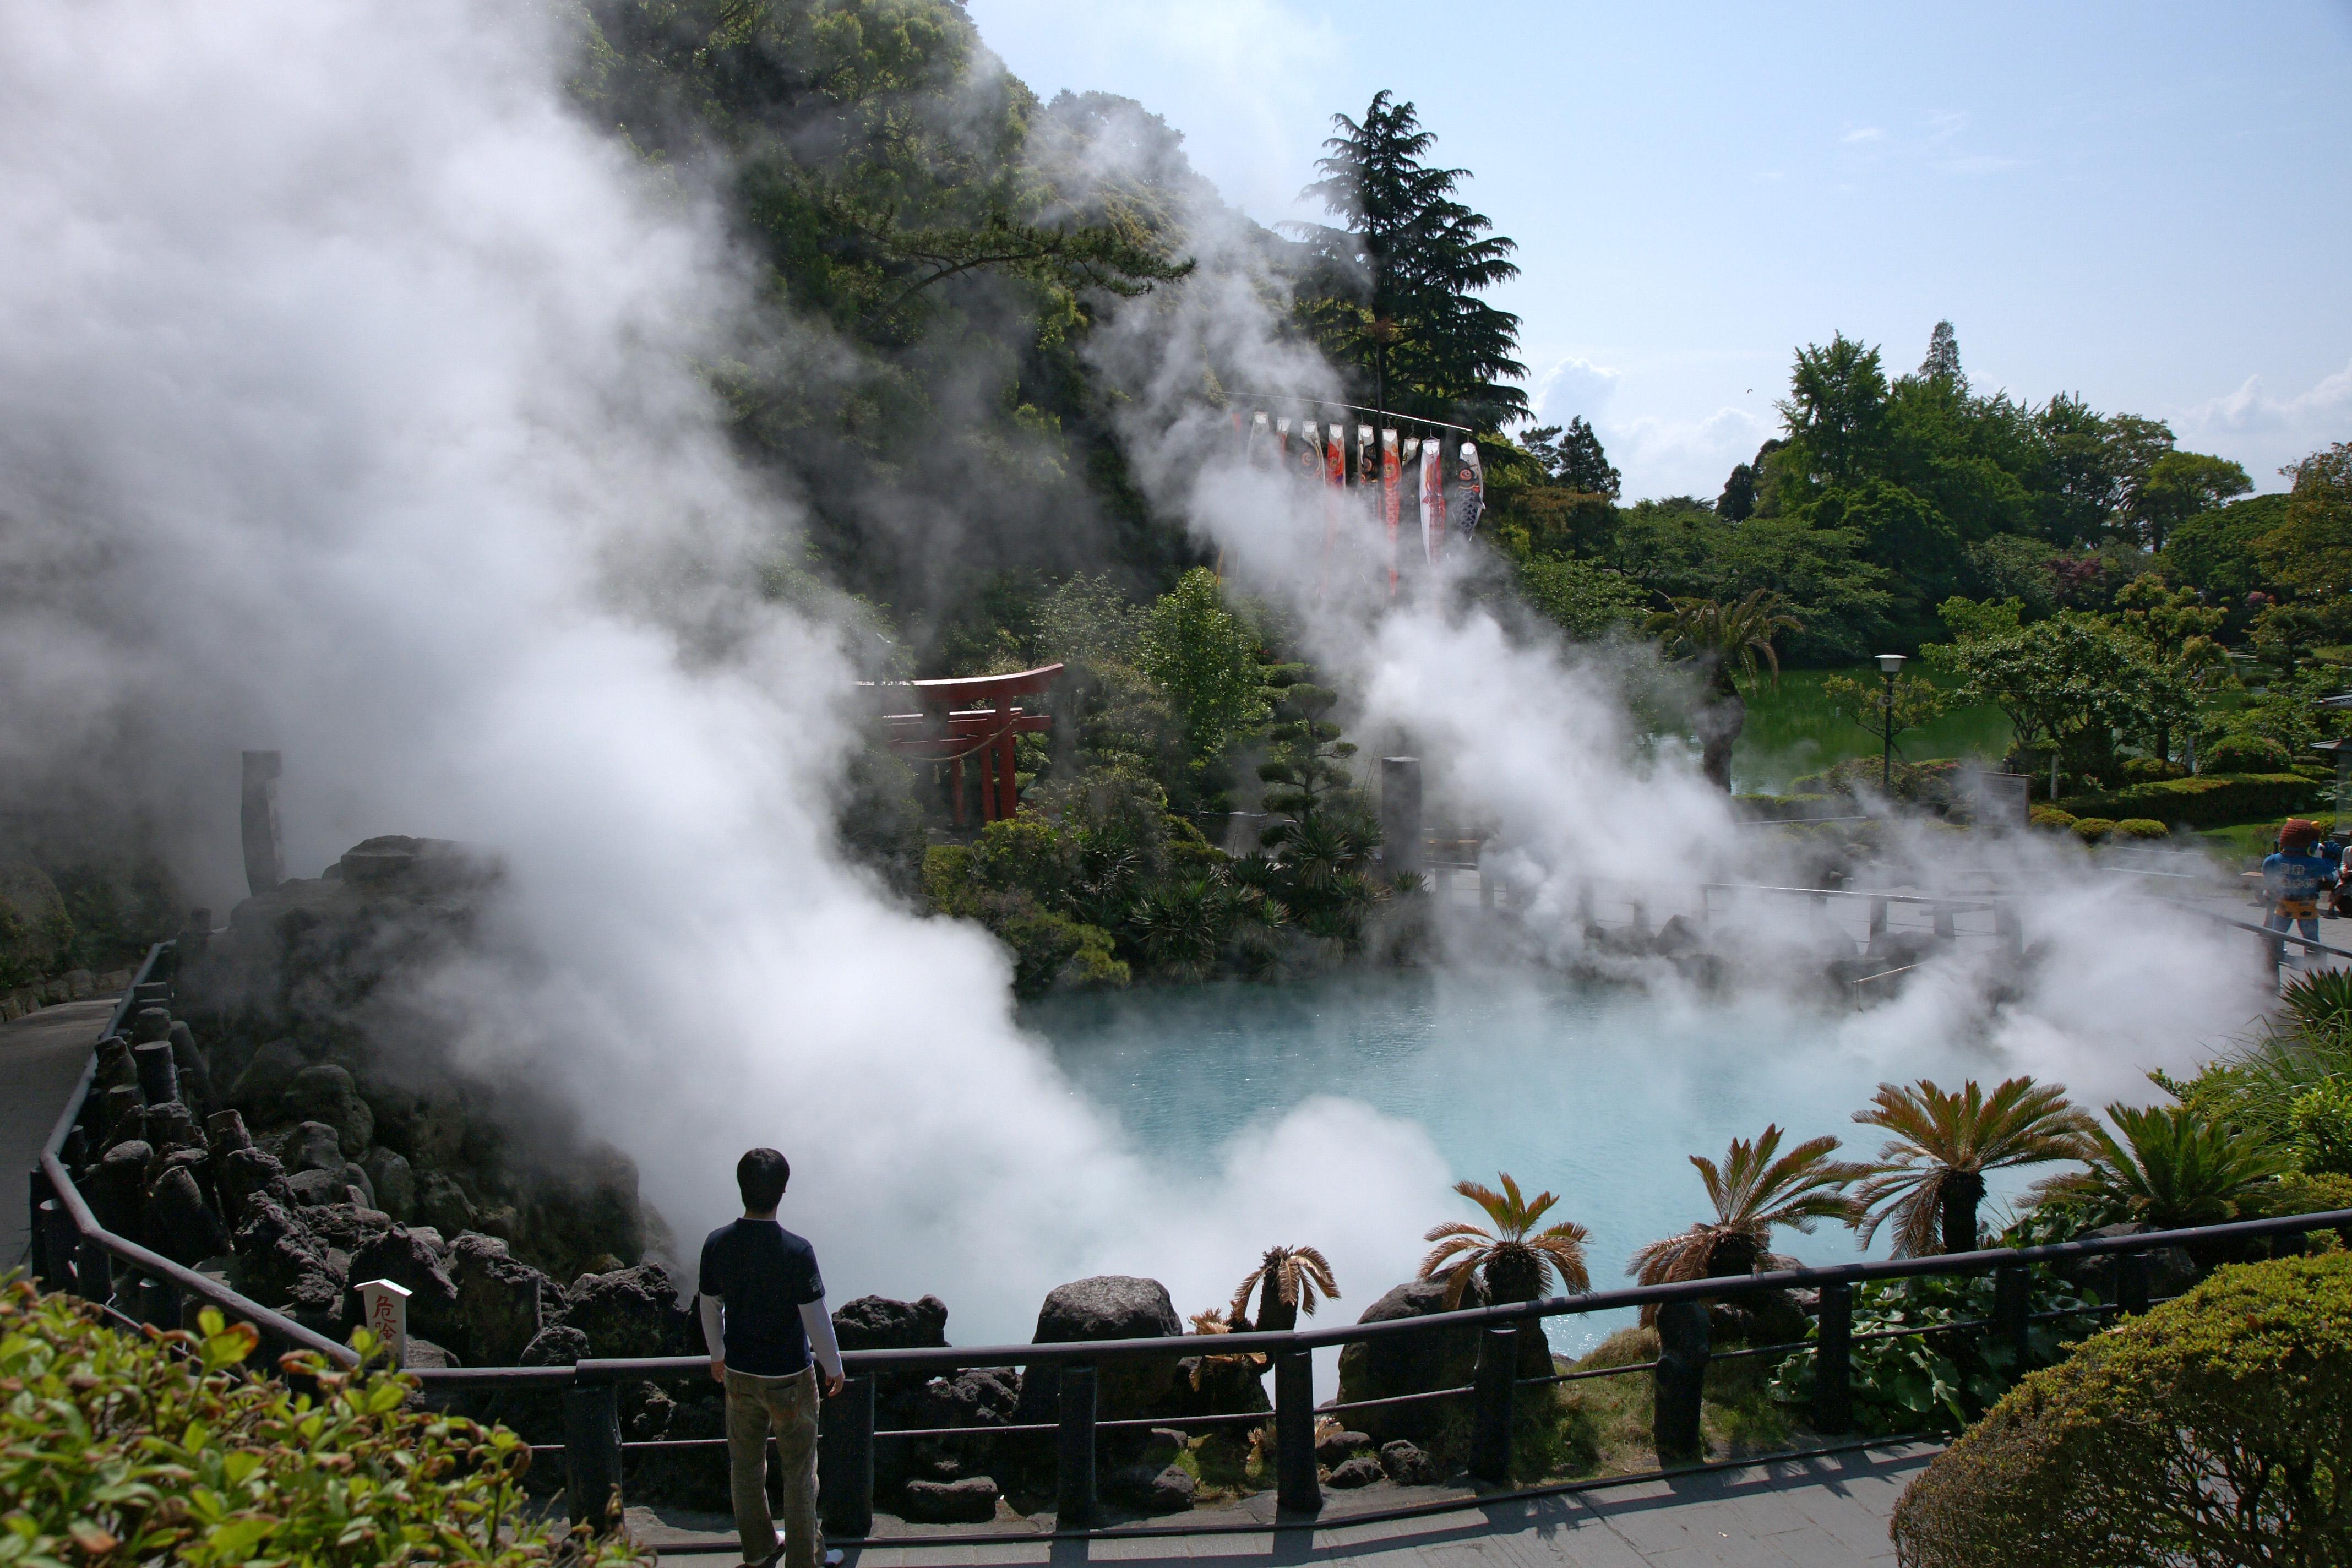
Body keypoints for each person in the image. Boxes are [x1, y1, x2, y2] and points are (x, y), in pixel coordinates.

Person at [699, 1148, 845, 1568]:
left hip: (739, 1374)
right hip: (790, 1377)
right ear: (783, 1190)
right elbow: (815, 1319)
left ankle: (761, 1548)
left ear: (741, 1187)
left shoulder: (717, 1243)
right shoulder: (797, 1251)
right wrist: (833, 1368)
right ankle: (805, 1560)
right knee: (800, 1475)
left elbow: (710, 1305)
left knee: (745, 1469)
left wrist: (717, 1355)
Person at [2262, 818, 2336, 967]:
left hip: (2284, 904)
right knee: (2310, 936)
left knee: (2278, 932)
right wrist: (2332, 857)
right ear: (2312, 844)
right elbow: (2330, 871)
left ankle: (2276, 955)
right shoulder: (2313, 863)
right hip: (2306, 906)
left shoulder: (2275, 860)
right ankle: (2314, 960)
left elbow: (2267, 870)